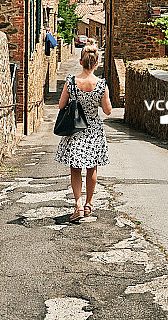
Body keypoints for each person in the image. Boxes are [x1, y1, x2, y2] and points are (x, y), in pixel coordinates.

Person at [55, 44, 112, 222]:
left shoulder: (71, 82)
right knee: (91, 167)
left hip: (75, 129)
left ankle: (78, 205)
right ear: (96, 63)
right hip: (93, 130)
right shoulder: (101, 84)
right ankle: (88, 204)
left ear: (80, 61)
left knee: (76, 168)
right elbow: (108, 111)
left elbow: (61, 105)